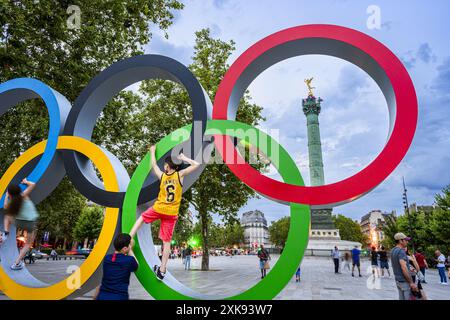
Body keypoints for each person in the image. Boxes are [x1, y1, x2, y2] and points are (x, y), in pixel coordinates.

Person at [129, 146, 200, 281]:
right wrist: (184, 158)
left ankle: (129, 237)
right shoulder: (180, 175)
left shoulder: (162, 176)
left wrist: (152, 151)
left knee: (142, 218)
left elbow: (153, 165)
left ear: (167, 166)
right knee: (166, 242)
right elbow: (196, 164)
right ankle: (162, 270)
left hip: (159, 208)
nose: (164, 167)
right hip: (171, 212)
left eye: (165, 165)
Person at [0, 178, 38, 270]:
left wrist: (6, 196)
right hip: (30, 224)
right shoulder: (22, 196)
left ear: (10, 194)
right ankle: (16, 263)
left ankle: (5, 233)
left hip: (19, 222)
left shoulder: (12, 202)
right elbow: (33, 185)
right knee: (28, 244)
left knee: (7, 216)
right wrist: (26, 182)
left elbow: (5, 206)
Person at [94, 233, 138, 300]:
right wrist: (130, 251)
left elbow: (103, 280)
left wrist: (94, 297)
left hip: (102, 296)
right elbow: (136, 266)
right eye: (129, 246)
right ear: (125, 248)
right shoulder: (129, 260)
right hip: (119, 297)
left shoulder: (107, 258)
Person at [390, 233, 418, 300]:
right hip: (404, 281)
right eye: (405, 240)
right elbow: (404, 268)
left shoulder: (393, 250)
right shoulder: (401, 251)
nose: (407, 242)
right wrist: (411, 282)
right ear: (400, 241)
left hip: (398, 280)